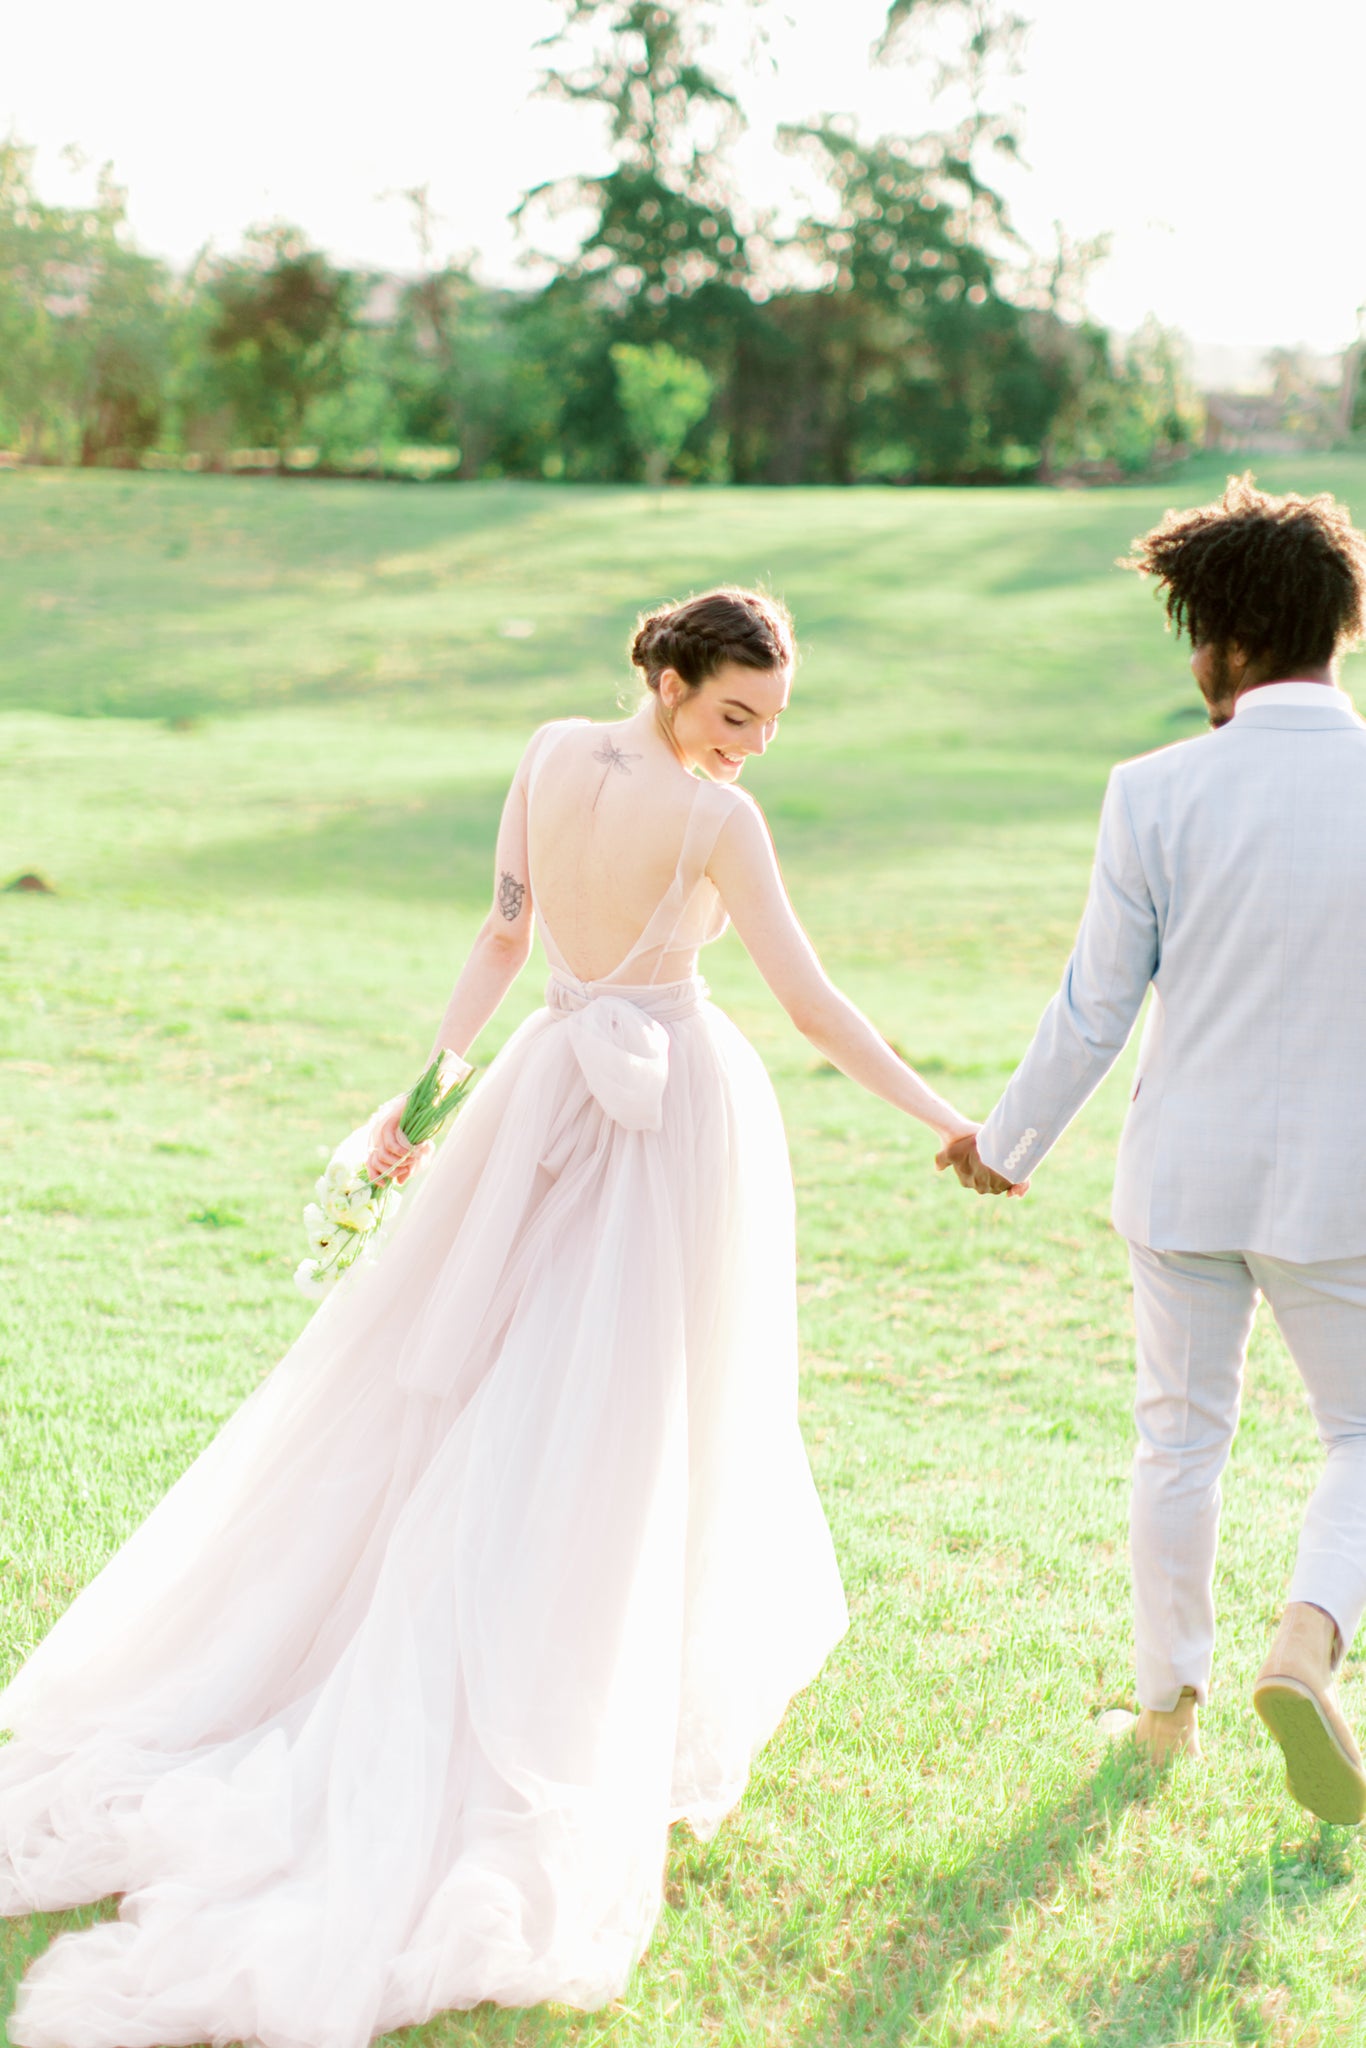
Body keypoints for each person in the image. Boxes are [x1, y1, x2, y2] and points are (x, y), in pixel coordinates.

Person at [0, 588, 983, 2048]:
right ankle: (540, 1669)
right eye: (731, 715)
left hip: (542, 1087)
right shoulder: (713, 827)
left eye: (769, 727)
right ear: (665, 676)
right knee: (615, 1404)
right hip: (651, 1115)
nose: (749, 749)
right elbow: (810, 1005)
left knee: (516, 1379)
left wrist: (442, 1078)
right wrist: (949, 1117)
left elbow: (508, 941)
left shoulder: (550, 754)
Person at [940, 476, 1366, 1825]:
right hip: (1341, 1186)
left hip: (1179, 1178)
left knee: (1176, 1440)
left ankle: (1165, 1711)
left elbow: (1093, 1007)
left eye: (1192, 632)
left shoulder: (1149, 790)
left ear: (1226, 640)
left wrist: (1005, 1145)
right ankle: (1305, 1639)